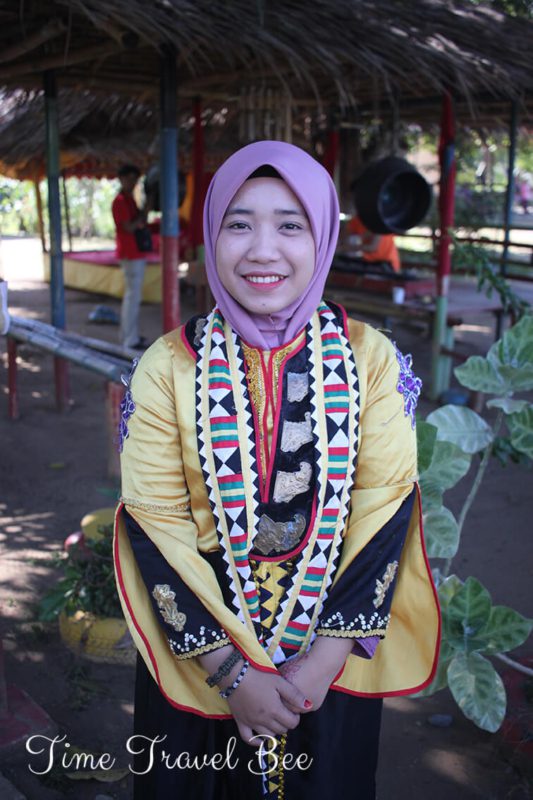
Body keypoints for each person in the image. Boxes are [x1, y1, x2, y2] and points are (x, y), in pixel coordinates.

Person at [114, 141, 440, 800]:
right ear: (211, 235)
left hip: (326, 669)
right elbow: (154, 524)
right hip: (199, 666)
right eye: (238, 223)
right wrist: (234, 675)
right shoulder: (166, 366)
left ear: (321, 235)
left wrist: (318, 665)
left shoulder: (369, 360)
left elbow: (384, 508)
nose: (263, 249)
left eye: (290, 225)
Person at [112, 164, 148, 349]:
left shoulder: (128, 199)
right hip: (130, 253)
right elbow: (128, 227)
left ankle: (128, 336)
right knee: (132, 297)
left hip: (133, 253)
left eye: (135, 179)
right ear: (122, 179)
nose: (133, 183)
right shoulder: (120, 201)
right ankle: (129, 340)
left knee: (132, 296)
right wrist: (142, 216)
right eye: (130, 179)